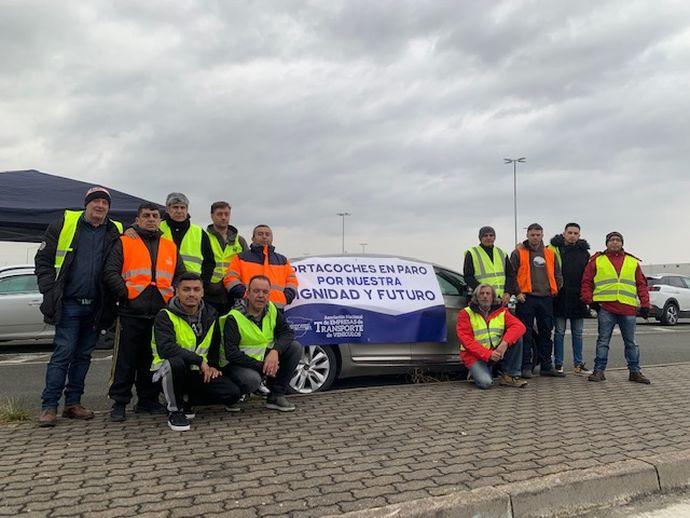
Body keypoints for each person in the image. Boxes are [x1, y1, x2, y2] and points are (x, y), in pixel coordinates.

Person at [34, 187, 123, 427]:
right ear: (86, 204)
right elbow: (43, 260)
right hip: (69, 303)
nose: (100, 206)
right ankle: (49, 406)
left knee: (83, 357)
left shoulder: (115, 230)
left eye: (105, 202)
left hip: (97, 305)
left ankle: (73, 403)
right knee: (63, 354)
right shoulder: (64, 223)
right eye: (96, 201)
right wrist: (49, 290)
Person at [104, 202, 185, 421]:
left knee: (152, 359)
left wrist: (173, 299)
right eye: (146, 215)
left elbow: (180, 275)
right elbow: (111, 271)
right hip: (132, 311)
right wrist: (126, 294)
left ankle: (147, 400)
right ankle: (119, 402)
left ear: (160, 220)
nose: (151, 219)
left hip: (160, 312)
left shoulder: (169, 246)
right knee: (125, 359)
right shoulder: (125, 241)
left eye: (155, 215)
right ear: (138, 220)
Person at [151, 272, 241, 431]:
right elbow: (166, 349)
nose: (191, 294)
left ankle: (187, 400)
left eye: (196, 289)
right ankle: (174, 410)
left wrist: (212, 366)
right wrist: (199, 361)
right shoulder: (165, 315)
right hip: (168, 371)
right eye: (186, 289)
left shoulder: (211, 314)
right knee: (175, 363)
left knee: (232, 393)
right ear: (176, 291)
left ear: (202, 292)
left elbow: (213, 347)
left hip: (198, 372)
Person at [219, 275, 302, 411]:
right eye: (256, 291)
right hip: (235, 365)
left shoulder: (272, 309)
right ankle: (235, 396)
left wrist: (275, 352)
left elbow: (287, 333)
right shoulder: (234, 317)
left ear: (269, 295)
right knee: (252, 380)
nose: (260, 295)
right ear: (247, 293)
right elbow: (231, 354)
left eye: (265, 292)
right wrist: (263, 366)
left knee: (295, 347)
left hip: (263, 360)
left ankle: (276, 396)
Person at [581, 231, 651, 384]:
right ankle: (599, 371)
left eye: (618, 240)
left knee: (631, 342)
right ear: (606, 243)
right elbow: (586, 282)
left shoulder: (632, 262)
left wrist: (645, 304)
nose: (615, 242)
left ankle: (635, 372)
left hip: (628, 309)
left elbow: (641, 284)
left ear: (622, 243)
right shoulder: (597, 261)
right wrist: (590, 301)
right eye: (611, 240)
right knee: (603, 341)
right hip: (606, 308)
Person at [511, 223, 564, 378]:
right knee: (526, 333)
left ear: (542, 235)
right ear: (527, 235)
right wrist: (517, 292)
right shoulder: (518, 253)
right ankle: (526, 366)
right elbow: (511, 275)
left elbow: (558, 274)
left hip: (546, 298)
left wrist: (555, 289)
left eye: (538, 234)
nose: (535, 237)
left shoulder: (550, 253)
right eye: (532, 235)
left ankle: (546, 366)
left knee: (546, 332)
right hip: (526, 298)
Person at [456, 284, 527, 389]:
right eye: (482, 293)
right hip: (474, 356)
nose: (485, 296)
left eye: (488, 293)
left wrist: (504, 343)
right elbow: (467, 341)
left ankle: (509, 376)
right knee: (486, 383)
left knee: (517, 338)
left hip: (496, 352)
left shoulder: (502, 311)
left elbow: (520, 327)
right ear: (476, 297)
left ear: (493, 297)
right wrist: (488, 354)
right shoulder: (465, 313)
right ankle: (475, 371)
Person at [548, 223, 592, 374]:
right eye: (570, 232)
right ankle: (558, 364)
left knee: (578, 333)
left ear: (579, 235)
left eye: (575, 233)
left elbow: (588, 276)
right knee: (559, 332)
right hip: (559, 297)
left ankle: (578, 364)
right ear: (564, 233)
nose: (572, 235)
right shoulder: (553, 249)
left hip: (577, 298)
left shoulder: (584, 253)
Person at [223, 224, 298, 310]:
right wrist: (244, 294)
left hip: (276, 308)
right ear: (253, 238)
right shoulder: (240, 258)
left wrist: (286, 297)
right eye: (260, 234)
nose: (264, 237)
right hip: (247, 307)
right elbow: (230, 278)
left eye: (267, 234)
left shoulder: (282, 260)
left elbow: (292, 281)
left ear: (272, 238)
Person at [159, 192, 214, 286]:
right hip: (163, 284)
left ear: (187, 210)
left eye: (182, 207)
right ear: (167, 209)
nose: (179, 211)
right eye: (175, 207)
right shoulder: (157, 228)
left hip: (191, 286)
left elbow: (209, 262)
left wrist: (203, 284)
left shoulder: (199, 232)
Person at [205, 201, 248, 314]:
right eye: (220, 214)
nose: (223, 217)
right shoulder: (203, 237)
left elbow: (246, 267)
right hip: (210, 292)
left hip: (233, 292)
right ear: (212, 215)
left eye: (226, 214)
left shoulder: (240, 241)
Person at [463, 226, 518, 304]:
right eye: (485, 235)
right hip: (482, 298)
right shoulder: (472, 253)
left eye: (491, 235)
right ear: (480, 238)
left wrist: (508, 292)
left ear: (494, 237)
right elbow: (468, 276)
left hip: (501, 299)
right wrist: (483, 291)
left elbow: (510, 275)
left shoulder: (501, 253)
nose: (488, 238)